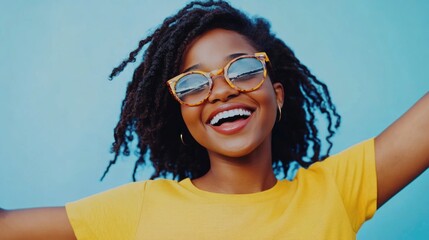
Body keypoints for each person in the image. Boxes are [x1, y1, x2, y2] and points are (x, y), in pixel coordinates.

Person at [0, 0, 428, 239]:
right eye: (192, 84)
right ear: (183, 115)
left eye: (241, 70)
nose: (221, 90)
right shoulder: (139, 209)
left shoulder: (336, 190)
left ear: (277, 96)